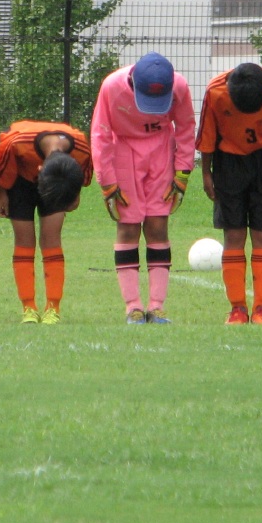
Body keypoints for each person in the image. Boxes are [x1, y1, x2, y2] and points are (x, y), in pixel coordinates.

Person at [91, 52, 195, 324]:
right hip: (124, 153)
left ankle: (157, 306)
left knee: (158, 225)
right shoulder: (111, 87)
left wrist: (183, 172)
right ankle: (133, 307)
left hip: (161, 153)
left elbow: (186, 127)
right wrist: (107, 182)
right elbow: (100, 134)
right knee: (128, 226)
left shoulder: (179, 86)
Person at [196, 62, 262, 325]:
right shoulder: (215, 91)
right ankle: (237, 309)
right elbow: (207, 134)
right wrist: (206, 173)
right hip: (228, 164)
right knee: (234, 234)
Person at [0, 120, 93, 324]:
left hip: (59, 181)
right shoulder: (16, 143)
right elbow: (1, 168)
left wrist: (73, 195)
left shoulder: (82, 149)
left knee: (51, 239)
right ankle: (29, 307)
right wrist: (2, 194)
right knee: (24, 241)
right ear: (40, 168)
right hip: (20, 182)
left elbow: (80, 175)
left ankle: (53, 308)